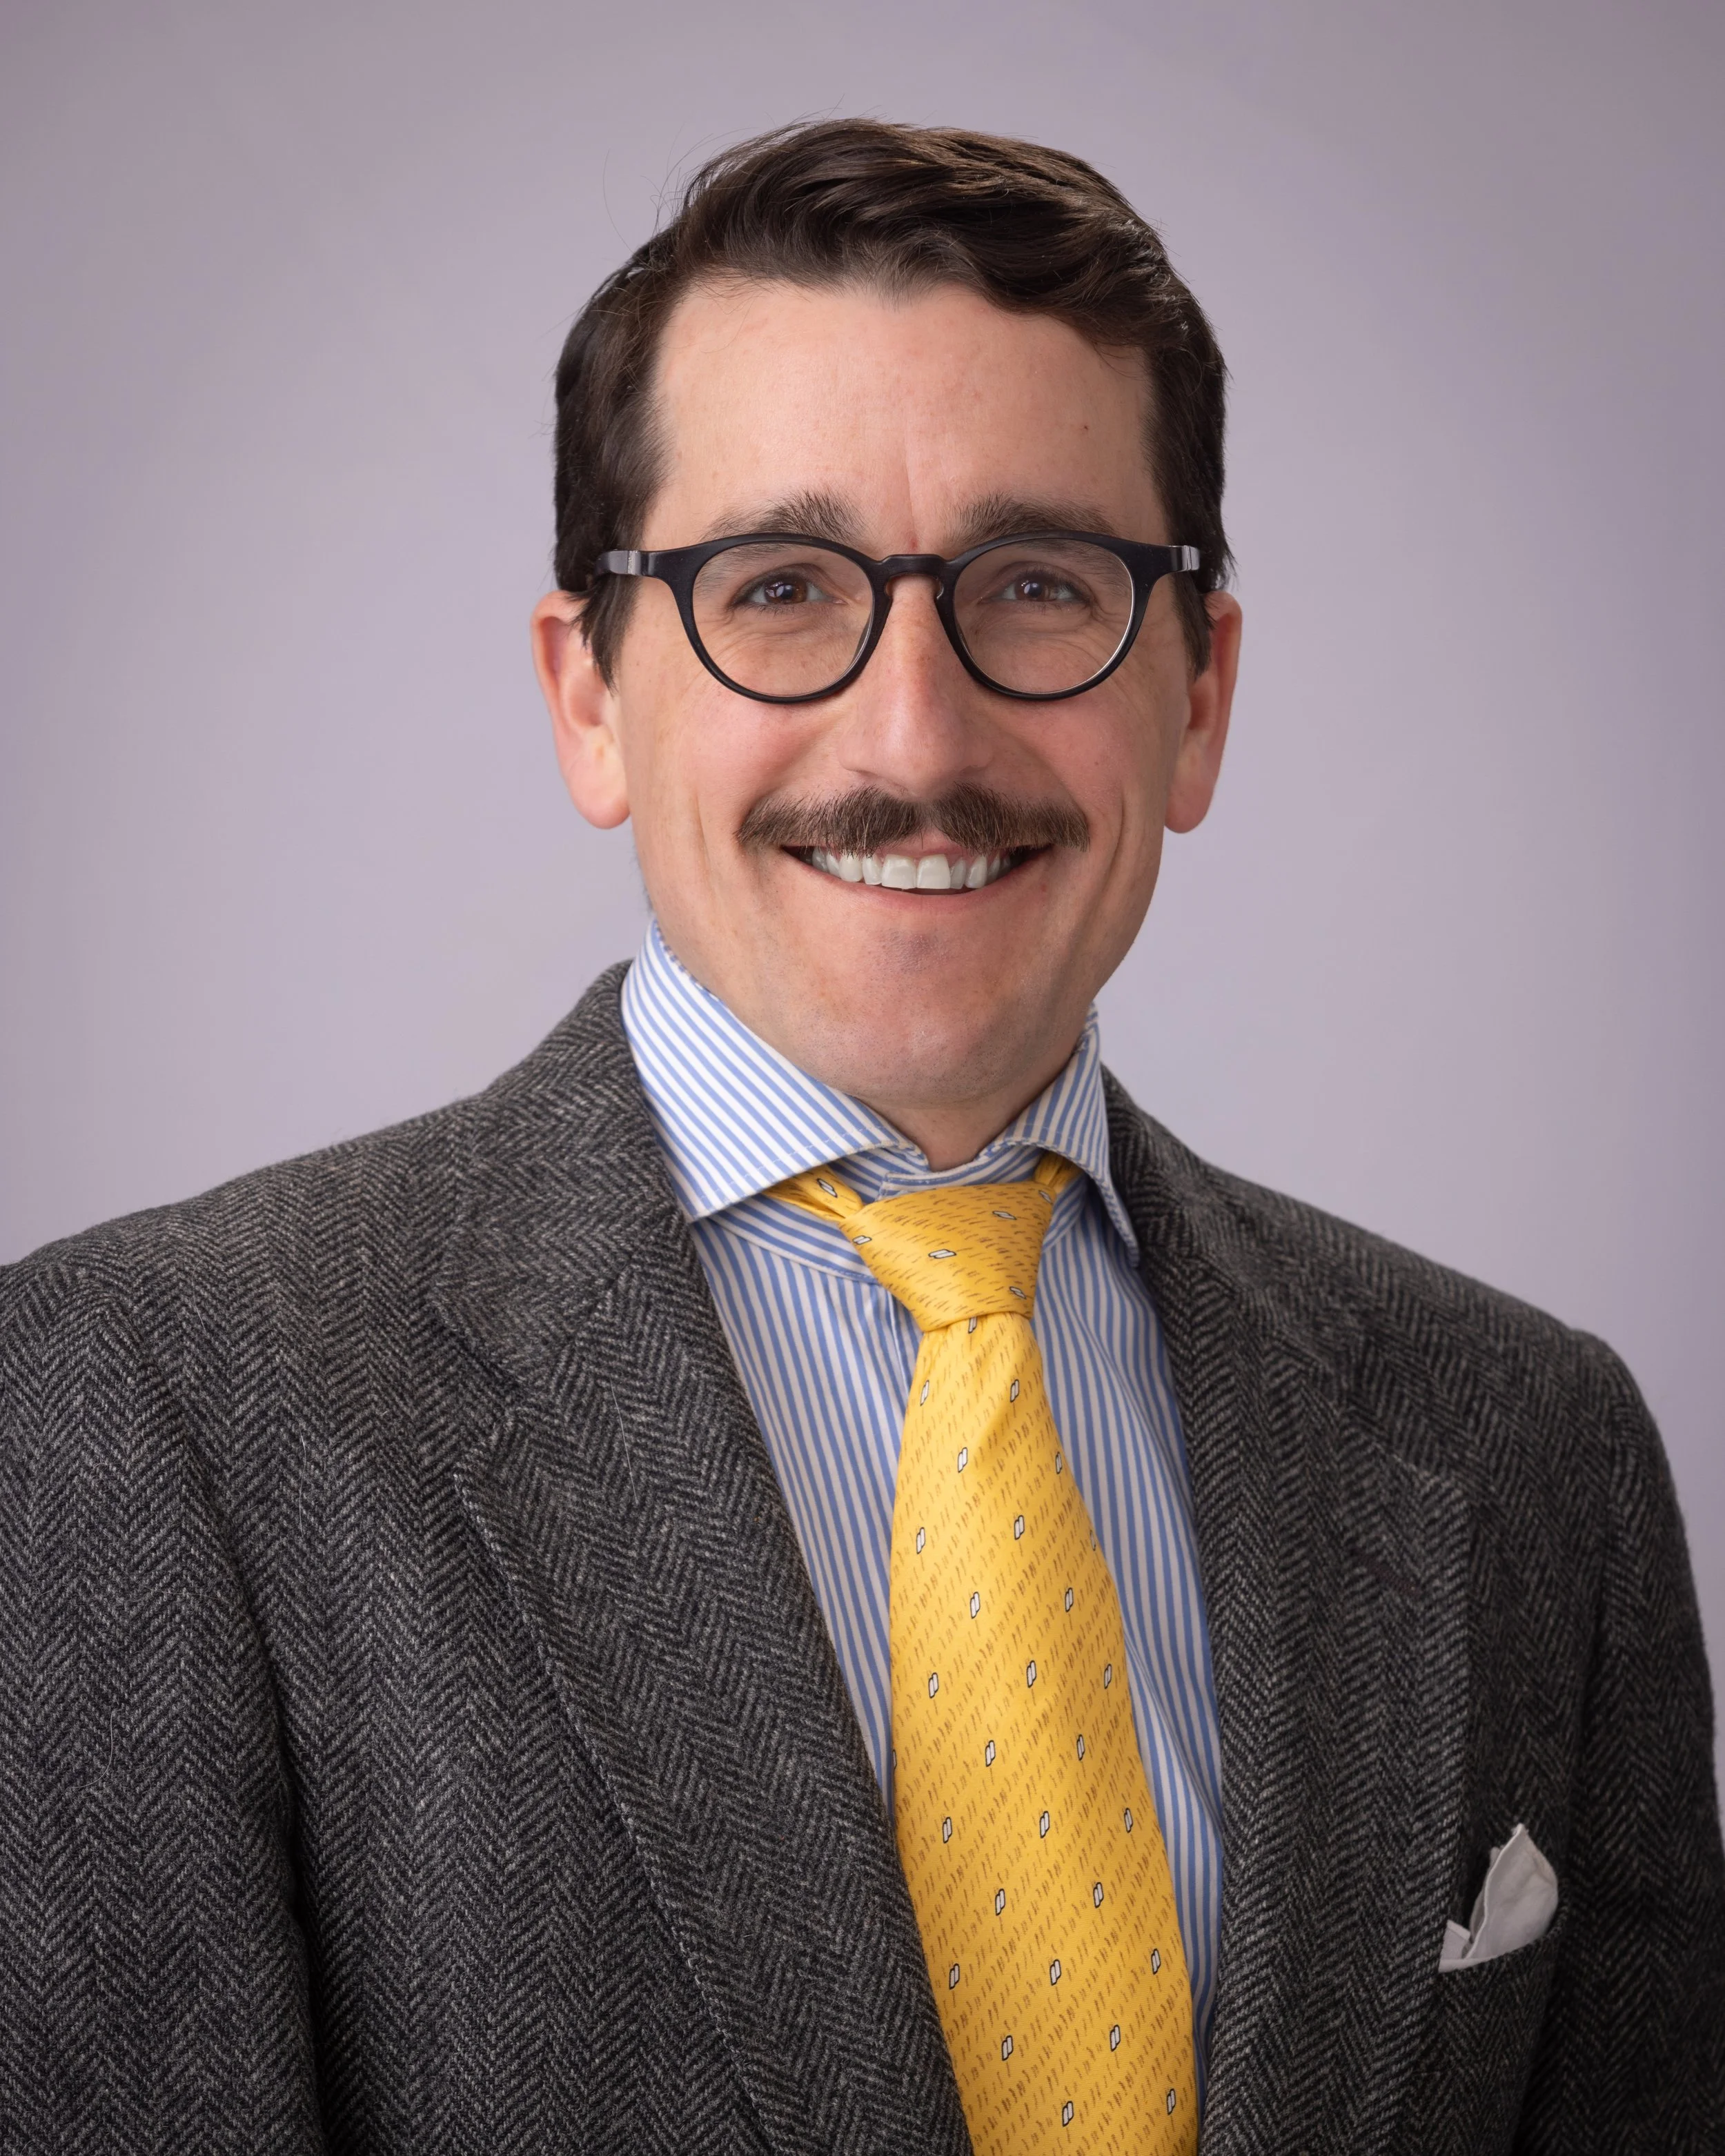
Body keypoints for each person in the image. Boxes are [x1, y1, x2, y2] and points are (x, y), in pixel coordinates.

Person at [1, 118, 1719, 2156]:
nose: (914, 738)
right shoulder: (144, 1414)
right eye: (782, 588)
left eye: (1039, 583)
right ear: (590, 693)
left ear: (1197, 697)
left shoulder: (1530, 1449)